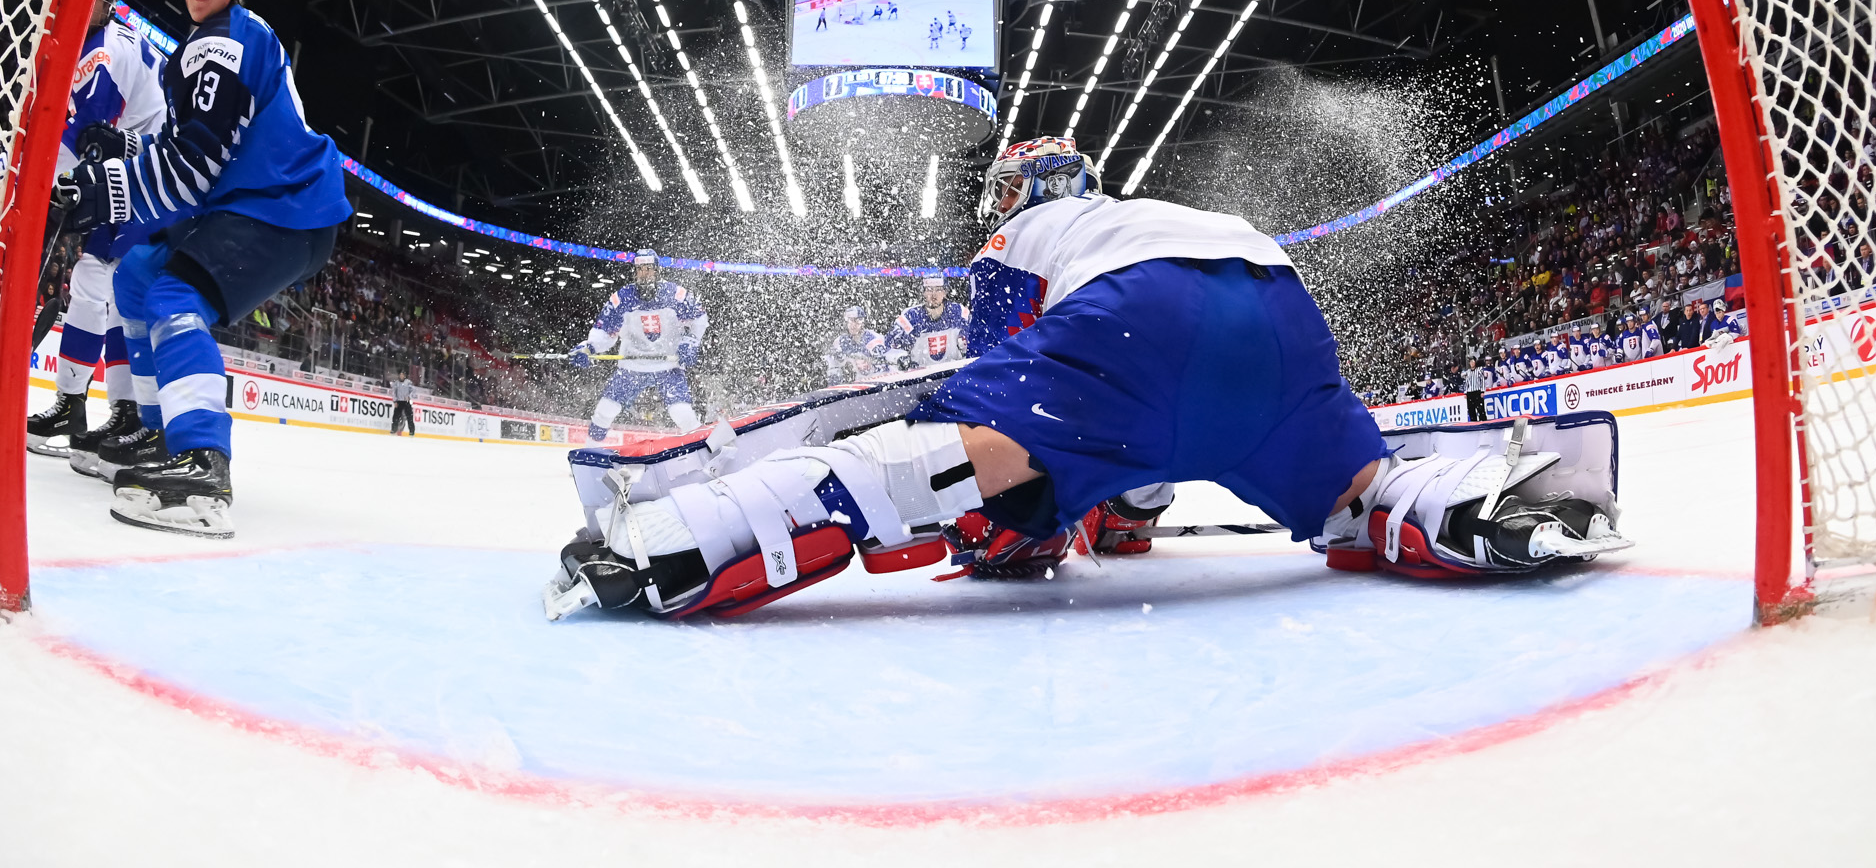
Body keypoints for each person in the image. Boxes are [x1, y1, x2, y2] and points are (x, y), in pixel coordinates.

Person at [546, 137, 1632, 621]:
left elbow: (1009, 400)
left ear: (1014, 190)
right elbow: (1137, 429)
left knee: (947, 453)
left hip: (1135, 317)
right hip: (1276, 304)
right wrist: (1125, 505)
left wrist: (1024, 523)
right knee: (1354, 491)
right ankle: (1490, 506)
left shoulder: (1021, 235)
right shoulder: (1145, 205)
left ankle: (677, 542)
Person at [57, 0, 350, 538]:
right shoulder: (206, 45)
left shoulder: (223, 45)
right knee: (135, 275)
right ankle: (156, 426)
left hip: (283, 206)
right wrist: (125, 152)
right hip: (252, 201)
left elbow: (193, 165)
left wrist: (109, 188)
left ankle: (202, 459)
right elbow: (176, 144)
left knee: (172, 295)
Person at [25, 0, 166, 462]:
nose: (84, 2)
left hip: (148, 174)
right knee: (97, 285)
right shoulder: (73, 41)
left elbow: (87, 133)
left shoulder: (107, 51)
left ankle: (126, 415)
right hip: (120, 172)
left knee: (115, 288)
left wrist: (48, 190)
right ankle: (83, 408)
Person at [571, 248, 708, 439]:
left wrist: (690, 340)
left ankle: (703, 449)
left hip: (668, 365)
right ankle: (590, 453)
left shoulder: (676, 294)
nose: (645, 273)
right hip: (632, 366)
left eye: (649, 268)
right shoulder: (622, 298)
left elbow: (699, 319)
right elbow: (605, 331)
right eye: (640, 269)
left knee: (682, 412)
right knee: (605, 411)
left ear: (657, 270)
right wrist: (589, 347)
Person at [889, 273, 968, 368]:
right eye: (929, 289)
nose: (933, 295)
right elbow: (890, 346)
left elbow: (973, 338)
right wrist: (899, 356)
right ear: (923, 292)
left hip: (953, 374)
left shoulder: (958, 312)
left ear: (945, 292)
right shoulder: (910, 317)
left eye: (938, 289)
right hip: (921, 378)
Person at [824, 304, 888, 381]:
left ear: (863, 323)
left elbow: (884, 368)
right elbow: (830, 363)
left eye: (858, 321)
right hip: (850, 386)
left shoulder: (873, 339)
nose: (853, 325)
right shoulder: (840, 341)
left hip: (873, 384)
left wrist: (871, 366)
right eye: (850, 320)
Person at [390, 369, 416, 437]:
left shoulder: (408, 382)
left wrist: (409, 397)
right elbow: (394, 392)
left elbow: (413, 391)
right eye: (400, 375)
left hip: (406, 402)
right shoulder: (396, 383)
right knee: (395, 417)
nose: (401, 376)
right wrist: (395, 401)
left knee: (409, 417)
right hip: (399, 401)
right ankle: (394, 429)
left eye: (402, 375)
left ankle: (411, 431)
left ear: (405, 376)